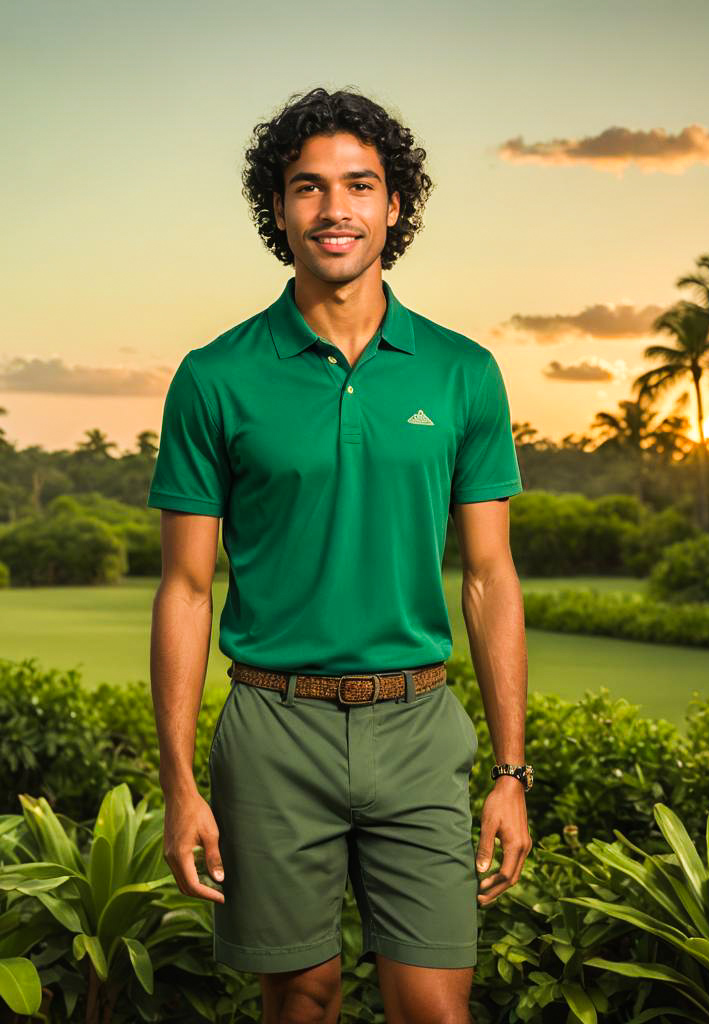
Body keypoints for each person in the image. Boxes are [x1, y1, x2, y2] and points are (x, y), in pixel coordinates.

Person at [148, 86, 532, 1024]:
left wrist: (512, 774)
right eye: (308, 188)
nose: (336, 209)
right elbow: (187, 588)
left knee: (434, 1009)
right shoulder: (214, 377)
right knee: (303, 999)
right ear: (277, 210)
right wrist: (179, 783)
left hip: (417, 725)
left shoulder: (461, 372)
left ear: (395, 206)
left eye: (360, 186)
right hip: (274, 727)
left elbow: (489, 578)